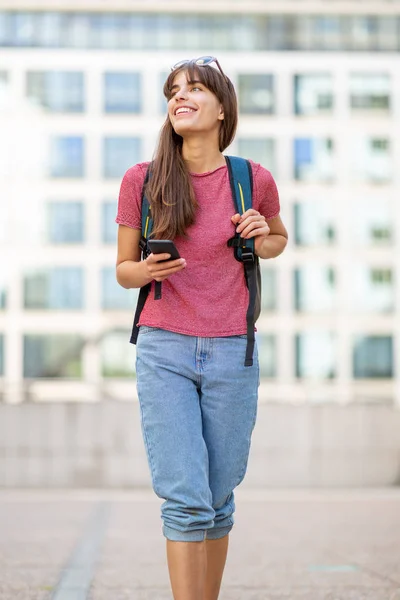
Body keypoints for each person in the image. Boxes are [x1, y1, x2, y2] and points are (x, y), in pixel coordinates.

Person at [115, 56, 288, 600]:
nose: (179, 97)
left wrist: (261, 234)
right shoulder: (142, 180)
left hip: (233, 350)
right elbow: (123, 271)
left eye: (193, 89)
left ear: (221, 109)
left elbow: (277, 240)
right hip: (164, 346)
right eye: (173, 91)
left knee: (217, 498)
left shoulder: (252, 180)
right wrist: (146, 270)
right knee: (185, 497)